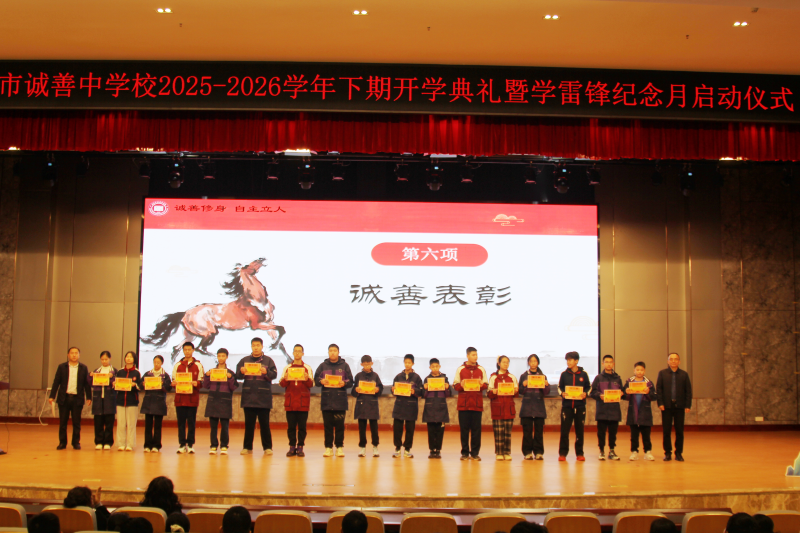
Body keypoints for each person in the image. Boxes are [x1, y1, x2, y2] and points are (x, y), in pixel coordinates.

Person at [235, 337, 278, 455]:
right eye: (254, 345)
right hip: (249, 397)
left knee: (265, 425)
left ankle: (267, 447)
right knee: (249, 425)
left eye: (258, 345)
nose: (256, 347)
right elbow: (237, 375)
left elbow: (274, 375)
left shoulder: (268, 361)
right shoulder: (244, 360)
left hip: (263, 397)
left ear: (262, 346)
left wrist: (267, 372)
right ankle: (247, 447)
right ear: (251, 346)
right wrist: (241, 372)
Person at [314, 343, 353, 457]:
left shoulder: (345, 366)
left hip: (340, 402)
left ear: (338, 352)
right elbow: (316, 379)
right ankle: (328, 448)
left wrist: (344, 383)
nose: (332, 353)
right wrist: (321, 381)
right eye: (330, 351)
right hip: (327, 401)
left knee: (340, 426)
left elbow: (351, 381)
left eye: (335, 351)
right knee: (328, 427)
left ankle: (339, 447)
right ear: (328, 352)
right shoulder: (323, 366)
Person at [48, 346, 91, 450]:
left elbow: (86, 384)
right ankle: (62, 442)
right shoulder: (62, 367)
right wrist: (52, 396)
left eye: (76, 353)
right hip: (64, 398)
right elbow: (56, 382)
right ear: (68, 355)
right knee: (63, 422)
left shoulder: (83, 368)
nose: (74, 355)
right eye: (72, 353)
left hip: (77, 399)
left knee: (77, 422)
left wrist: (89, 397)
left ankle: (76, 442)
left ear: (79, 355)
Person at [453, 347, 489, 461]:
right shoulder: (460, 369)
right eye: (473, 355)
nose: (475, 357)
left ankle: (475, 453)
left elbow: (486, 385)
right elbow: (455, 386)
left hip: (477, 404)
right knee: (464, 430)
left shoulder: (481, 369)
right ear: (467, 356)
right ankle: (464, 453)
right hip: (463, 405)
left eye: (476, 355)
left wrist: (481, 385)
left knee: (476, 430)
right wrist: (462, 385)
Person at [278, 344, 314, 457]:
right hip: (291, 402)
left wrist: (306, 378)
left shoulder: (307, 368)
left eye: (299, 351)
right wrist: (286, 378)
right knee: (291, 427)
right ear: (293, 353)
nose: (297, 353)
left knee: (302, 427)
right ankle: (292, 446)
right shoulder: (287, 368)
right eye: (295, 351)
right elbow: (281, 384)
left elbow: (311, 384)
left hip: (303, 402)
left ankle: (300, 447)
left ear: (303, 353)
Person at [656, 352, 692, 461]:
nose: (673, 361)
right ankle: (667, 453)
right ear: (668, 361)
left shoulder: (684, 374)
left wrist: (687, 405)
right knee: (666, 431)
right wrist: (660, 403)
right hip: (666, 406)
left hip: (680, 406)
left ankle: (679, 453)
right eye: (671, 359)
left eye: (675, 359)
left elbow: (688, 391)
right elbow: (659, 389)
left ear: (679, 361)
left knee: (679, 431)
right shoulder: (662, 373)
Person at [203, 348, 239, 455]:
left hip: (225, 401)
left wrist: (230, 378)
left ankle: (224, 446)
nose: (221, 358)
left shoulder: (231, 373)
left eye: (223, 356)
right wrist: (207, 376)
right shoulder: (212, 371)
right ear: (217, 357)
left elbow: (233, 387)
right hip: (213, 400)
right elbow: (206, 386)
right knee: (213, 426)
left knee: (225, 426)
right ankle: (213, 445)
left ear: (227, 357)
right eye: (219, 356)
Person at [557, 351, 591, 461]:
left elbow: (588, 387)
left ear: (576, 361)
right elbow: (559, 387)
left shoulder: (583, 374)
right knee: (564, 431)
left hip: (580, 406)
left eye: (570, 360)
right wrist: (562, 393)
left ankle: (579, 453)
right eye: (567, 360)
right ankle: (563, 453)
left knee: (579, 430)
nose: (568, 362)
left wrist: (585, 393)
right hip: (567, 406)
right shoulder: (564, 374)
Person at [590, 354, 623, 461]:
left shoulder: (618, 378)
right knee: (601, 432)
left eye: (610, 362)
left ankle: (612, 451)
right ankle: (601, 451)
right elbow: (592, 392)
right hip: (602, 410)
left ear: (613, 364)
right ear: (603, 364)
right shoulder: (598, 378)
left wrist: (622, 393)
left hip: (614, 410)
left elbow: (622, 392)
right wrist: (599, 395)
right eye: (606, 362)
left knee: (613, 433)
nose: (609, 364)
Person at [172, 342, 204, 454]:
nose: (187, 351)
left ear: (193, 350)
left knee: (191, 423)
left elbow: (201, 382)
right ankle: (181, 444)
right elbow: (173, 380)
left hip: (192, 399)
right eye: (185, 349)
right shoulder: (178, 365)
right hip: (180, 399)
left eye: (189, 349)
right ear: (183, 350)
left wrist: (196, 383)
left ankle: (190, 444)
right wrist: (174, 384)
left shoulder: (198, 365)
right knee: (181, 423)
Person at [622, 361, 656, 461]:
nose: (639, 372)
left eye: (641, 370)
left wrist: (648, 392)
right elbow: (623, 395)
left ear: (644, 371)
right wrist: (626, 392)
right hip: (633, 411)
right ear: (634, 370)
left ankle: (648, 452)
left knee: (646, 435)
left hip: (645, 412)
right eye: (637, 370)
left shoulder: (649, 383)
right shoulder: (629, 381)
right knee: (634, 435)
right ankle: (634, 452)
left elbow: (654, 396)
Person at [391, 354, 423, 458]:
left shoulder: (417, 377)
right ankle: (397, 448)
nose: (407, 364)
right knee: (397, 429)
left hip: (411, 407)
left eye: (409, 363)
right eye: (406, 362)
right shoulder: (398, 376)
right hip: (399, 406)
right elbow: (394, 390)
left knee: (410, 429)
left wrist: (414, 391)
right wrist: (393, 390)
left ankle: (407, 449)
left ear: (413, 363)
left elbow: (421, 391)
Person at [519, 354, 550, 460]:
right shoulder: (524, 376)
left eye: (535, 361)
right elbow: (520, 391)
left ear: (538, 363)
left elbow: (546, 392)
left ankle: (538, 452)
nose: (533, 363)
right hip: (527, 407)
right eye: (531, 361)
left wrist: (546, 385)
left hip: (539, 406)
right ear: (528, 363)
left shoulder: (542, 376)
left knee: (539, 431)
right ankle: (527, 452)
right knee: (527, 431)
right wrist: (523, 385)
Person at [352, 355, 384, 458]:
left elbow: (380, 388)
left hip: (372, 405)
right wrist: (356, 390)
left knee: (374, 428)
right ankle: (362, 447)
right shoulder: (358, 376)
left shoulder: (375, 376)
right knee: (362, 428)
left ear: (372, 363)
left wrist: (378, 390)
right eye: (365, 364)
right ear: (361, 364)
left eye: (368, 364)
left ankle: (375, 447)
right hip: (361, 405)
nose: (367, 366)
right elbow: (353, 392)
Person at [487, 355, 518, 461]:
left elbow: (516, 394)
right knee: (498, 432)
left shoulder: (512, 377)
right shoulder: (493, 377)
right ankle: (499, 453)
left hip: (509, 408)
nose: (506, 364)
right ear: (499, 363)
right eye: (504, 362)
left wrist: (515, 391)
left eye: (507, 362)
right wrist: (493, 391)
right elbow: (489, 393)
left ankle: (507, 452)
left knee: (508, 432)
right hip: (498, 408)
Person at [141, 355, 172, 453]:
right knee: (148, 425)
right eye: (155, 362)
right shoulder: (148, 374)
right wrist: (142, 384)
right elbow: (140, 384)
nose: (156, 364)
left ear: (162, 363)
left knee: (158, 426)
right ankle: (147, 445)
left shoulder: (165, 375)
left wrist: (162, 384)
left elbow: (169, 388)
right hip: (148, 402)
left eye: (158, 362)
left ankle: (156, 445)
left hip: (159, 402)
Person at [422, 357, 451, 459]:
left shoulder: (444, 378)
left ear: (439, 366)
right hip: (430, 408)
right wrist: (425, 389)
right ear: (430, 367)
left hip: (441, 407)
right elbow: (423, 395)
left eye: (436, 366)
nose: (435, 368)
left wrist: (447, 388)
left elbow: (448, 394)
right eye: (433, 366)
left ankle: (438, 450)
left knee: (440, 431)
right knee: (431, 431)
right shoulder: (426, 379)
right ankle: (431, 450)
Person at [115, 351, 143, 451]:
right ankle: (121, 444)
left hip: (132, 401)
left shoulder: (137, 372)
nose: (128, 358)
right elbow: (117, 385)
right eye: (127, 356)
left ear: (134, 359)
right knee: (120, 423)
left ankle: (130, 444)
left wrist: (135, 385)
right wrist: (115, 384)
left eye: (131, 357)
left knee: (131, 424)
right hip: (120, 400)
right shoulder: (120, 372)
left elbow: (140, 387)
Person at [89, 351, 116, 450]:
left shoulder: (114, 371)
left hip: (110, 399)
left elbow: (118, 383)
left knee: (109, 422)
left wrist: (112, 379)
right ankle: (99, 441)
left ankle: (108, 442)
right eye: (102, 359)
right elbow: (90, 383)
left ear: (110, 359)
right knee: (98, 422)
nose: (104, 361)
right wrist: (91, 376)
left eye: (106, 359)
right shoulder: (97, 371)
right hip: (98, 399)